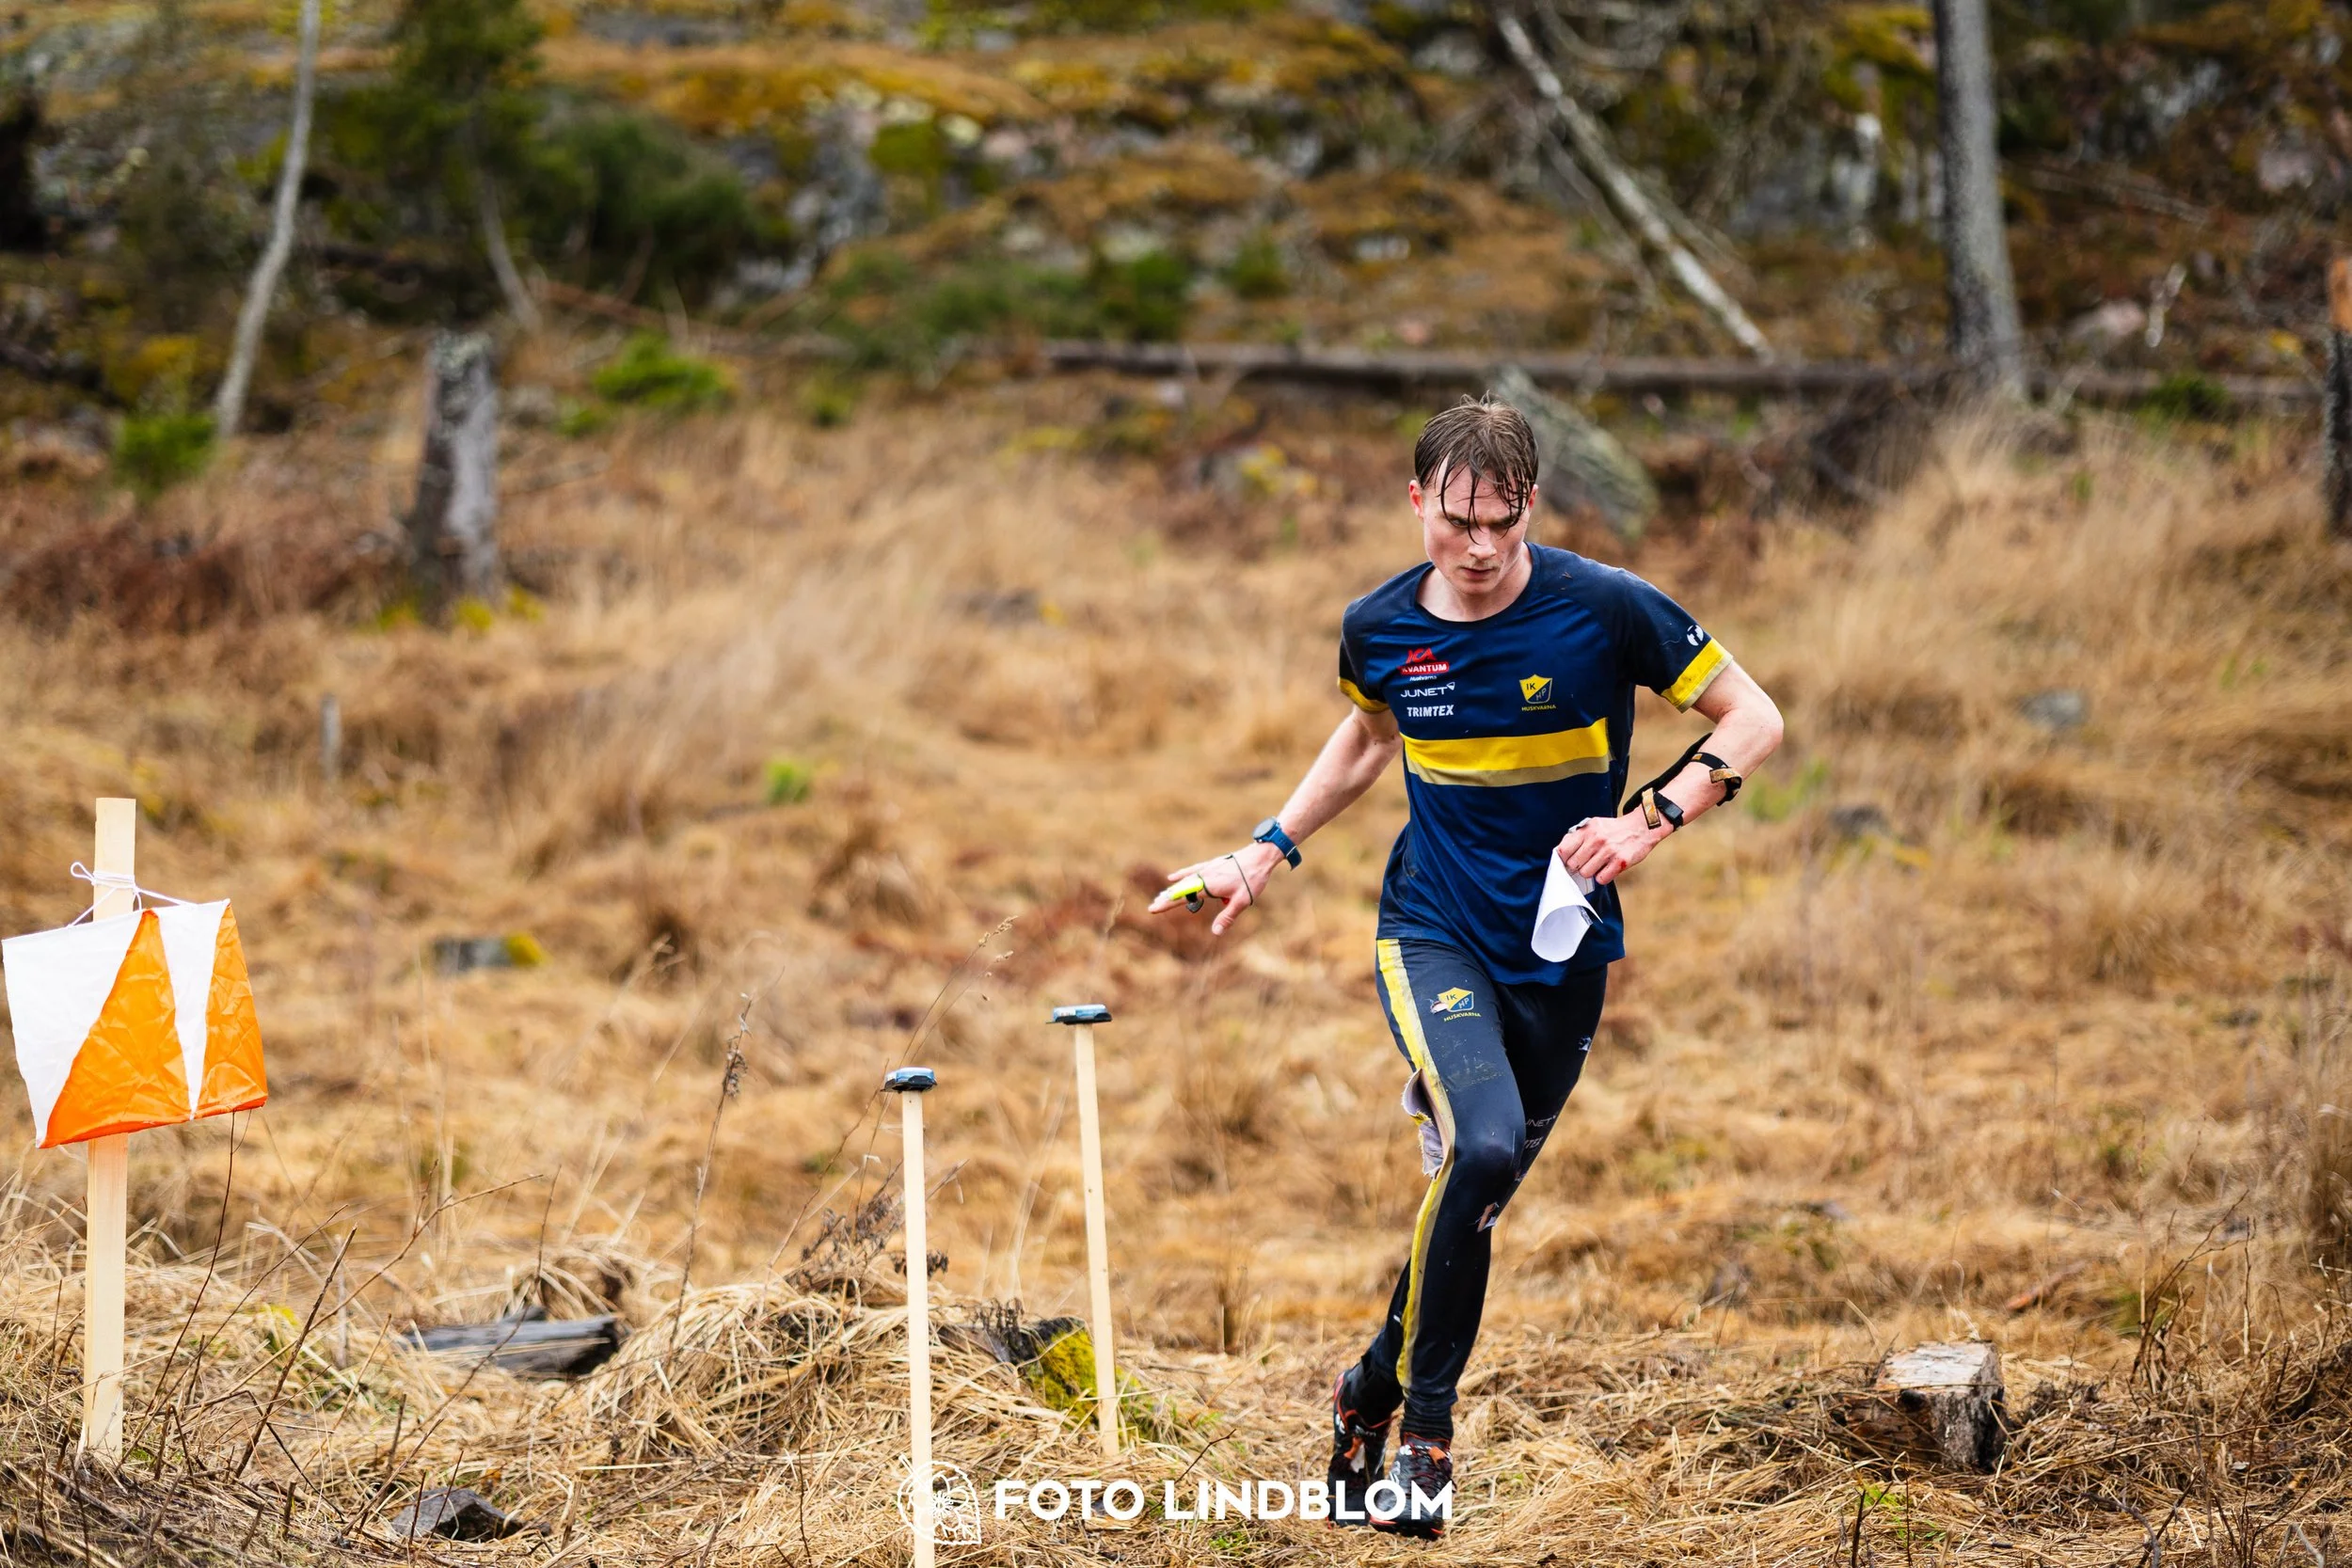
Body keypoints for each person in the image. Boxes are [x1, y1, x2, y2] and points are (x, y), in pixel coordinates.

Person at [1149, 396, 1783, 1539]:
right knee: (1480, 1145)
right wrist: (1265, 848)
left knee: (1474, 1193)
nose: (1480, 547)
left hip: (1562, 945)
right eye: (1456, 521)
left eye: (1502, 521)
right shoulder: (1379, 624)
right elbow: (1365, 738)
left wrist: (1650, 817)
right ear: (1416, 503)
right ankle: (1424, 1446)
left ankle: (1364, 1388)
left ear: (1530, 505)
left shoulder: (1606, 606)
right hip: (1430, 927)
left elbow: (1754, 716)